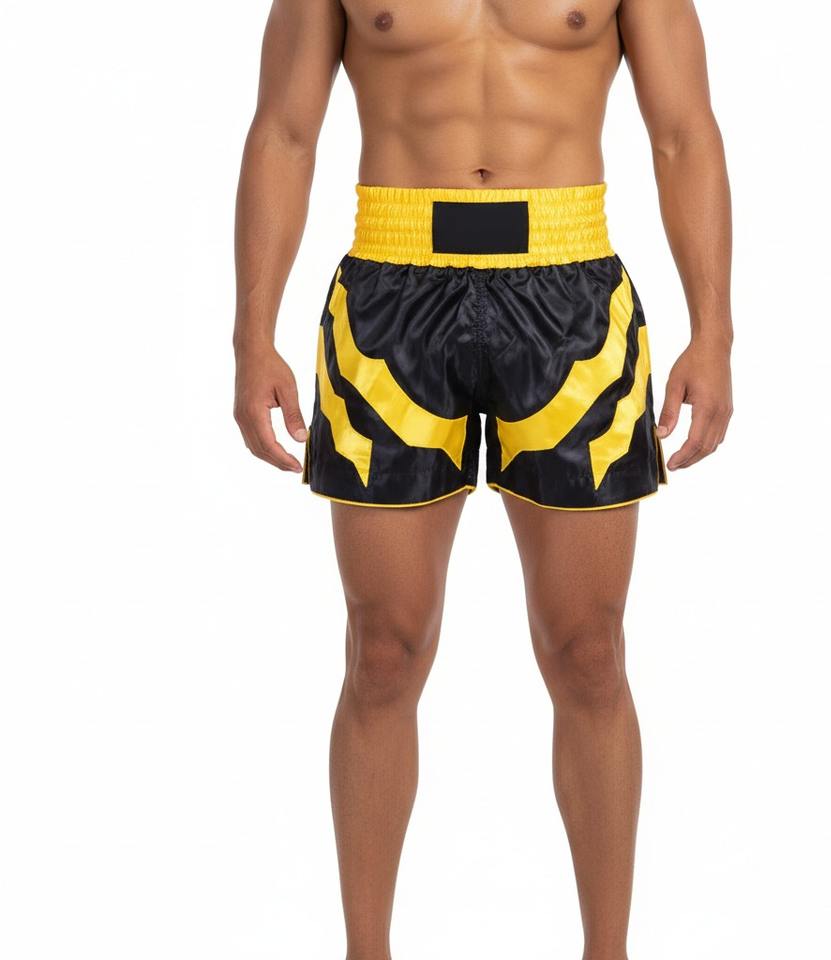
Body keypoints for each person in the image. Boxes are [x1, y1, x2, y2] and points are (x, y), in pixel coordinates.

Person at [233, 2, 733, 957]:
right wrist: (250, 337)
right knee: (383, 652)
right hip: (390, 296)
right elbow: (285, 132)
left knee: (589, 652)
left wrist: (715, 333)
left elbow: (683, 132)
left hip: (571, 295)